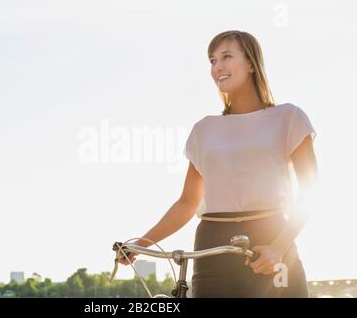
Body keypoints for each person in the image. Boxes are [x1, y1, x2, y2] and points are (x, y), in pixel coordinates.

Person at [118, 30, 318, 298]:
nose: (217, 67)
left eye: (226, 56)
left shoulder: (289, 117)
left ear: (250, 64)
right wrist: (140, 244)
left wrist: (278, 246)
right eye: (212, 60)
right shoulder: (204, 130)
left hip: (272, 239)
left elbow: (311, 194)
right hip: (212, 244)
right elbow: (187, 202)